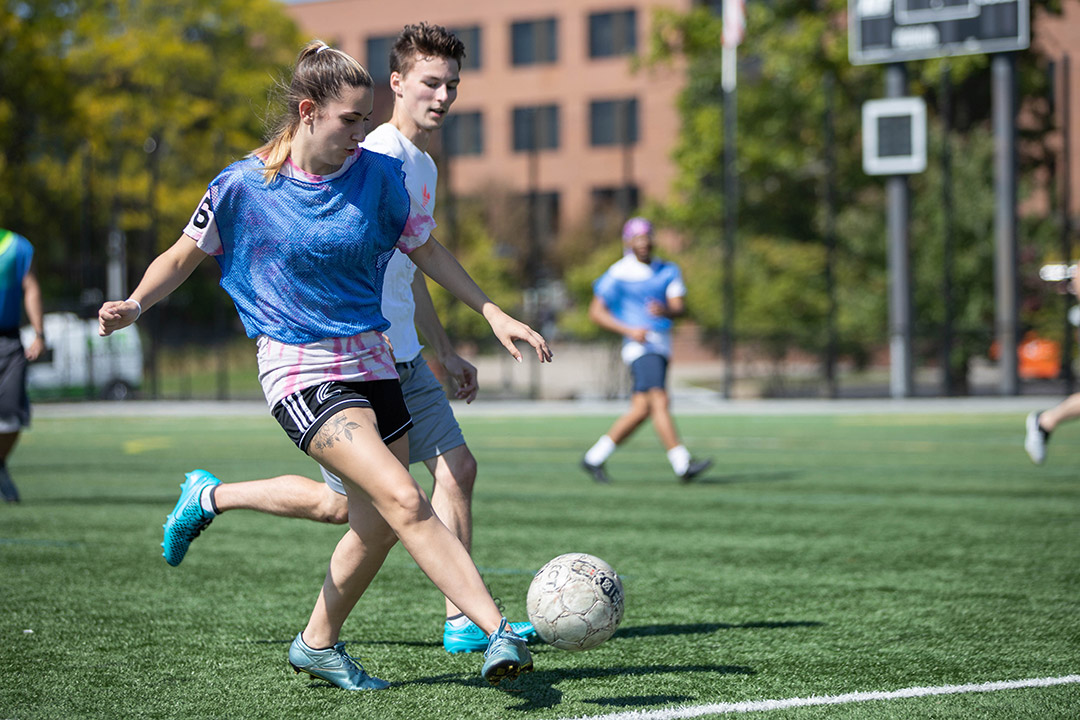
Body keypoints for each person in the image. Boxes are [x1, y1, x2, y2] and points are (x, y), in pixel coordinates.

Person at [98, 41, 550, 690]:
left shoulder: (378, 177)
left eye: (367, 120)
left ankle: (316, 642)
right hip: (299, 368)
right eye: (350, 120)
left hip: (372, 358)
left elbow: (425, 250)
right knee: (403, 497)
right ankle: (492, 627)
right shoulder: (243, 186)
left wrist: (491, 311)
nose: (361, 133)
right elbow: (182, 254)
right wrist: (136, 303)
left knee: (368, 524)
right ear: (308, 112)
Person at [580, 217, 711, 484]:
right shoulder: (619, 273)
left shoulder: (668, 270)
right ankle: (682, 463)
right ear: (628, 242)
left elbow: (679, 306)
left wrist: (666, 310)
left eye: (647, 237)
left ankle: (594, 457)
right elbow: (596, 312)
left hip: (662, 345)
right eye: (637, 239)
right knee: (659, 399)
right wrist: (629, 330)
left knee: (641, 410)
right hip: (640, 348)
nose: (644, 243)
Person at [0, 228, 44, 503]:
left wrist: (39, 333)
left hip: (9, 341)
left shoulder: (17, 246)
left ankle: (0, 463)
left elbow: (31, 287)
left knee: (12, 414)